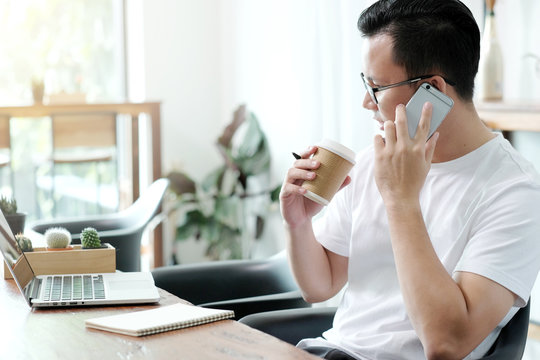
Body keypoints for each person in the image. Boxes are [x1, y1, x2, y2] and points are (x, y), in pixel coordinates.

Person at [279, 0, 540, 359]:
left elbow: (445, 344)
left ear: (431, 89)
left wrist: (401, 200)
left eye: (376, 87)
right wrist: (298, 224)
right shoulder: (376, 160)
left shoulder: (514, 192)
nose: (366, 103)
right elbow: (318, 286)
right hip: (329, 351)